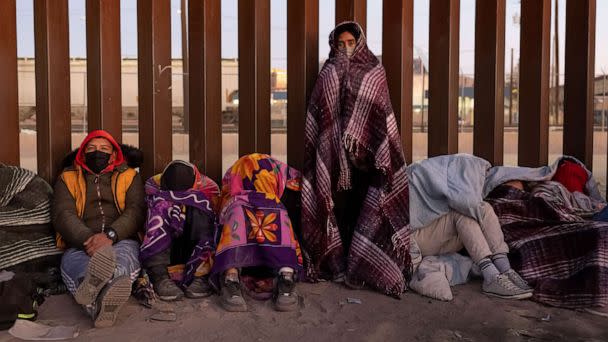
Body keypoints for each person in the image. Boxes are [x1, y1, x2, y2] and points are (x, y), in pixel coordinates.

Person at [301, 21, 411, 297]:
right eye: (341, 44)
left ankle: (363, 268)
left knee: (368, 209)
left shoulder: (374, 70)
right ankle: (339, 264)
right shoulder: (328, 71)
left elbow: (381, 115)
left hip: (368, 161)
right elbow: (320, 115)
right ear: (334, 44)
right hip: (336, 161)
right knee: (341, 211)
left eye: (351, 43)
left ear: (360, 42)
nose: (346, 48)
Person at [52, 130, 145, 328]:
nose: (97, 153)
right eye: (91, 148)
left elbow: (136, 211)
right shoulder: (67, 178)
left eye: (104, 149)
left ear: (113, 155)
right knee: (77, 266)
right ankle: (102, 297)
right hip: (79, 243)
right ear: (83, 154)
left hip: (121, 240)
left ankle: (96, 300)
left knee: (123, 261)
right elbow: (63, 214)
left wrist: (110, 235)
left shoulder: (129, 176)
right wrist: (89, 239)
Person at [211, 154, 303, 312]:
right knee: (277, 218)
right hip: (271, 264)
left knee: (237, 216)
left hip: (242, 263)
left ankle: (231, 279)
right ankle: (286, 279)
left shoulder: (232, 204)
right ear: (273, 179)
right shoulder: (278, 206)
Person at [411, 202, 533, 299]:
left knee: (483, 207)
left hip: (438, 225)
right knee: (462, 213)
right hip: (415, 233)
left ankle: (505, 269)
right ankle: (491, 277)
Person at [140, 160, 219, 301]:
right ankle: (159, 275)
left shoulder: (203, 198)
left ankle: (200, 274)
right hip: (167, 258)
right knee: (160, 206)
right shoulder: (156, 198)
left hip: (190, 252)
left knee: (200, 206)